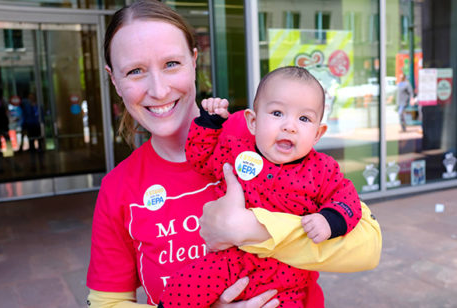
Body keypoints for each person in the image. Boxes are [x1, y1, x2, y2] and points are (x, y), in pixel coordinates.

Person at [86, 1, 382, 307]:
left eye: (171, 64)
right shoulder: (119, 186)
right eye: (135, 71)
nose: (159, 90)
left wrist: (254, 230)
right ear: (113, 80)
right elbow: (105, 302)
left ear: (194, 61)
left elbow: (368, 246)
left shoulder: (259, 134)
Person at [158, 67, 361, 307]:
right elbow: (200, 158)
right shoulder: (236, 152)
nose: (290, 126)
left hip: (287, 273)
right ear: (253, 122)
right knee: (186, 284)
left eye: (304, 118)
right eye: (277, 113)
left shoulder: (323, 169)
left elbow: (347, 198)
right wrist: (209, 122)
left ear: (317, 134)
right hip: (231, 260)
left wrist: (330, 221)